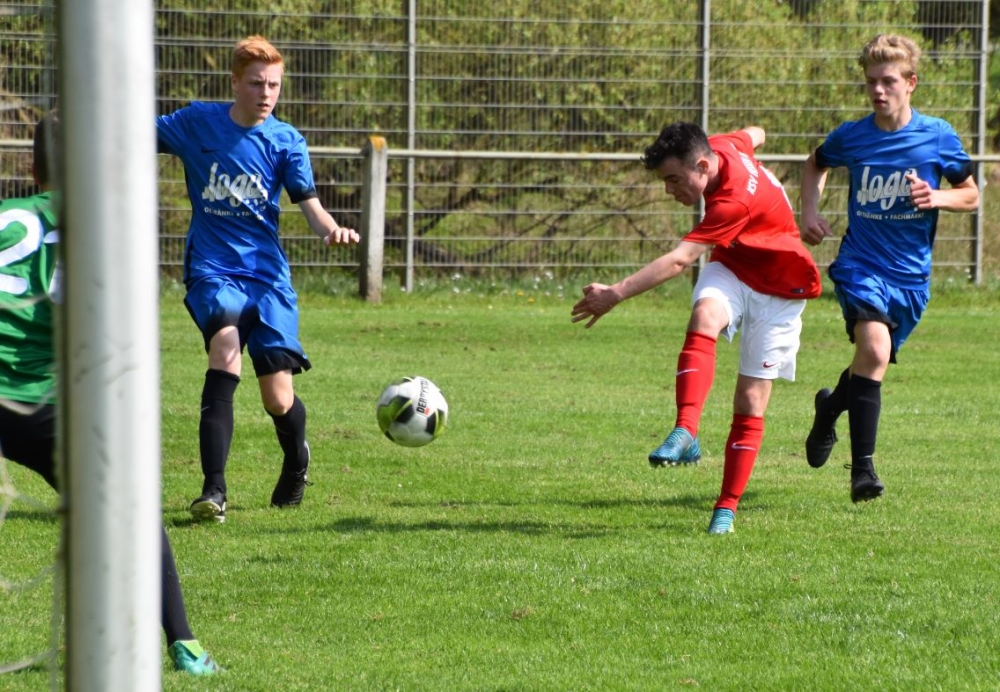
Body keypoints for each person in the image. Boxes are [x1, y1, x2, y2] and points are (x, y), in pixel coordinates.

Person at [0, 111, 220, 676]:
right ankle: (185, 645)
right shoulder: (99, 229)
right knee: (129, 505)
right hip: (39, 401)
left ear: (32, 168)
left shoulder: (5, 217)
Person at [571, 122, 822, 535]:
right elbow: (756, 132)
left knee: (749, 400)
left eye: (673, 179)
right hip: (734, 266)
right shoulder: (722, 146)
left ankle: (726, 507)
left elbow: (679, 260)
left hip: (781, 287)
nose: (668, 190)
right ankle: (686, 430)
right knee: (704, 315)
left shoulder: (734, 202)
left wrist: (615, 293)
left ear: (703, 166)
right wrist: (759, 159)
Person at [156, 35, 360, 523]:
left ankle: (296, 461)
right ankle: (214, 491)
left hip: (267, 278)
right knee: (225, 350)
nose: (266, 93)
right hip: (213, 269)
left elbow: (309, 205)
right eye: (256, 83)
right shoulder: (195, 123)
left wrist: (332, 230)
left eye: (273, 85)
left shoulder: (286, 140)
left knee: (278, 397)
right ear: (235, 82)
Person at [800, 34, 979, 503]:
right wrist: (809, 213)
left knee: (869, 361)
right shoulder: (852, 136)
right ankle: (862, 471)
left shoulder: (937, 136)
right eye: (871, 82)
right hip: (861, 264)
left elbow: (971, 195)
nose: (878, 90)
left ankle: (829, 409)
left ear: (911, 83)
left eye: (888, 81)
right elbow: (815, 163)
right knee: (875, 350)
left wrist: (936, 196)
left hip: (911, 278)